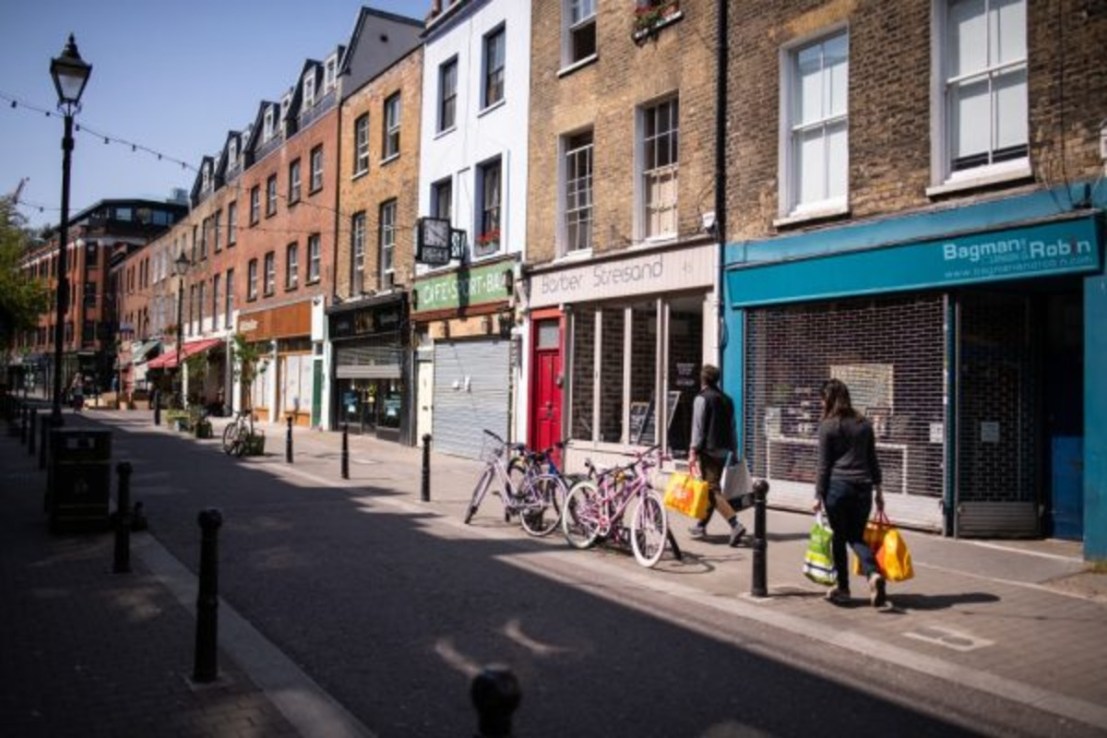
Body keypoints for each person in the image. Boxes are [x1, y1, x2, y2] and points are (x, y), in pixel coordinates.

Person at [812, 378, 886, 607]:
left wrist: (817, 495)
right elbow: (872, 460)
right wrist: (879, 491)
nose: (820, 403)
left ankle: (843, 588)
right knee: (856, 537)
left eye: (822, 399)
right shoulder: (864, 424)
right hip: (863, 488)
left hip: (838, 488)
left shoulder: (828, 426)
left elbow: (823, 465)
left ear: (829, 399)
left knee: (839, 538)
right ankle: (873, 573)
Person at [688, 364, 746, 546]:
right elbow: (732, 427)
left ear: (703, 379)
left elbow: (697, 427)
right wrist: (734, 450)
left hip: (709, 450)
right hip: (724, 449)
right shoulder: (727, 400)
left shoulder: (701, 398)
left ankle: (735, 524)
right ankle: (701, 525)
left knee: (712, 490)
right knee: (710, 488)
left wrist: (692, 451)